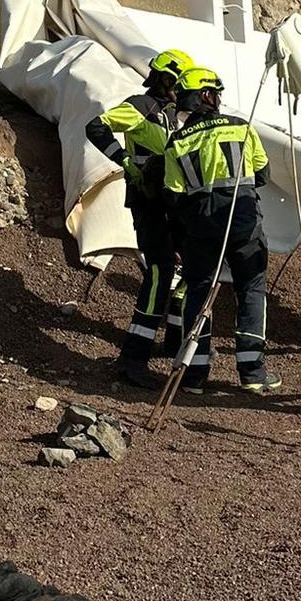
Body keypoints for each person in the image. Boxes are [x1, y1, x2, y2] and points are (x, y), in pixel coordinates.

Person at [159, 65, 280, 395]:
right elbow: (263, 175)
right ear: (209, 96)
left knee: (198, 290)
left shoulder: (177, 141)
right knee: (250, 289)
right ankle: (253, 373)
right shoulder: (240, 128)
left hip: (200, 226)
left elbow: (172, 194)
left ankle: (194, 376)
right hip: (243, 223)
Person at [86, 48, 195, 387]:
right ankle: (133, 358)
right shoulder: (139, 106)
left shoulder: (173, 113)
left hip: (173, 202)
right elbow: (96, 126)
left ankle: (174, 342)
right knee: (159, 273)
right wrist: (125, 161)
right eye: (180, 84)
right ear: (165, 80)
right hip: (149, 202)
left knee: (190, 269)